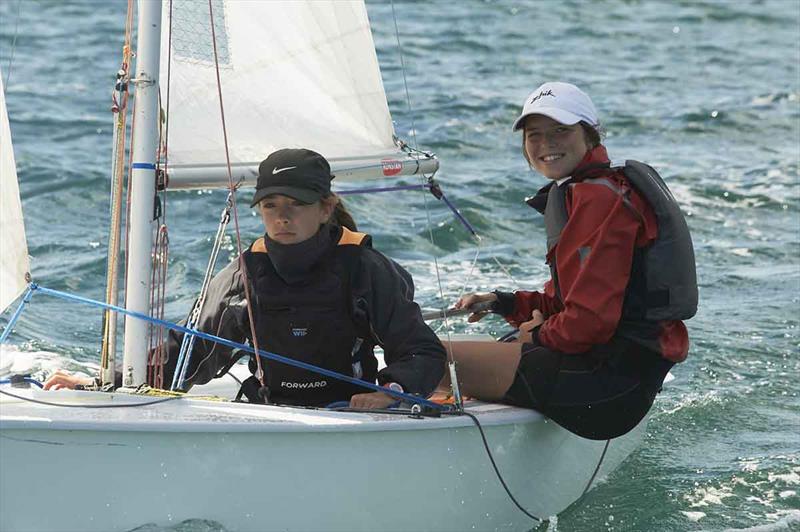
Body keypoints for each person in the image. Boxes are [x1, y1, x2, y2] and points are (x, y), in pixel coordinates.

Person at [45, 148, 446, 409]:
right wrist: (106, 382)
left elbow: (421, 352)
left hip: (350, 414)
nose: (281, 216)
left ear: (326, 208)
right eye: (270, 205)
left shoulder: (365, 268)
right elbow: (192, 351)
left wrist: (390, 392)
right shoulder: (245, 274)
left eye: (296, 205)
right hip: (271, 415)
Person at [442, 82, 697, 440]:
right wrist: (505, 303)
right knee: (489, 351)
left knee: (427, 357)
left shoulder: (598, 199)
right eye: (535, 135)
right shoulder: (588, 189)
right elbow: (570, 301)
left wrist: (537, 335)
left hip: (607, 385)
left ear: (590, 135)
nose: (547, 144)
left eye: (561, 131)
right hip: (621, 376)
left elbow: (590, 321)